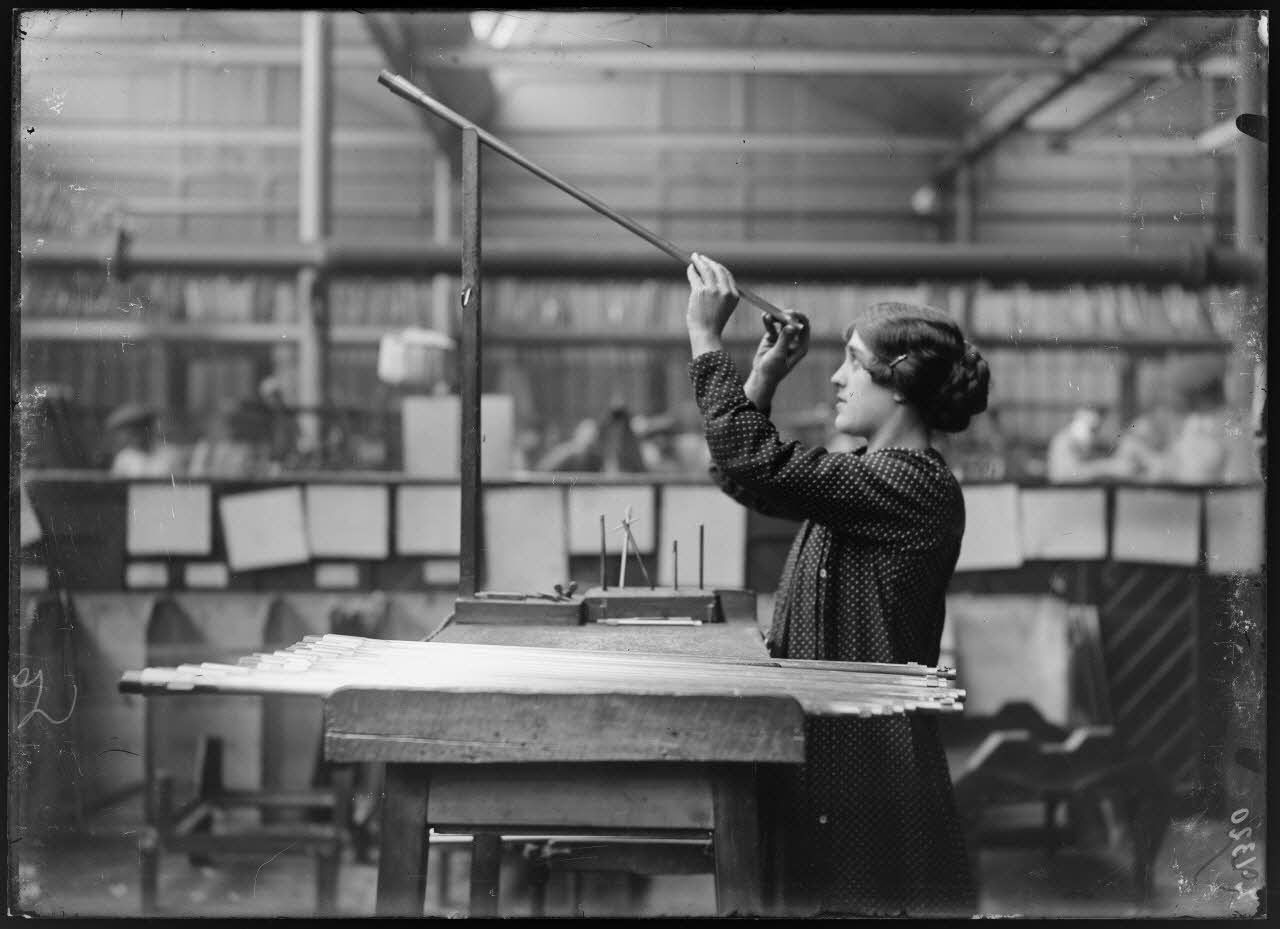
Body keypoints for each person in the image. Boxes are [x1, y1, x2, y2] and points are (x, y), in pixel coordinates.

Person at [684, 252, 984, 917]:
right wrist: (762, 373)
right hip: (829, 756)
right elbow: (743, 475)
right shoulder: (866, 479)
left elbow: (751, 457)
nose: (839, 378)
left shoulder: (911, 484)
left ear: (899, 383)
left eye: (853, 361)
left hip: (869, 767)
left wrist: (708, 342)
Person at [1045, 405, 1136, 484]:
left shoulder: (1084, 444)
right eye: (1092, 428)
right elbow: (1064, 475)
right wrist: (1108, 467)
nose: (1094, 434)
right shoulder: (1063, 441)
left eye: (1096, 429)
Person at [105, 403, 180, 477]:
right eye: (132, 431)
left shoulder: (171, 454)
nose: (137, 435)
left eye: (140, 428)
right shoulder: (124, 458)